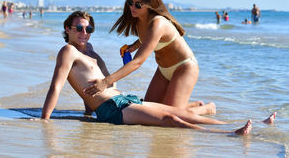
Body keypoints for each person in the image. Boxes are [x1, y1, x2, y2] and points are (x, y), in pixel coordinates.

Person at [41, 11, 264, 135]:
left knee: (178, 112)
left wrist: (87, 113)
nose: (84, 33)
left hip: (123, 99)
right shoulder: (68, 51)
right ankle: (227, 136)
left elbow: (91, 88)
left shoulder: (91, 52)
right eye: (78, 28)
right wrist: (45, 120)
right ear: (67, 29)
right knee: (170, 118)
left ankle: (243, 125)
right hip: (112, 110)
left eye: (88, 29)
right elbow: (57, 86)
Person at [84, 0, 208, 113]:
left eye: (138, 5)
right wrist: (134, 46)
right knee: (148, 111)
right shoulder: (138, 19)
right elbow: (148, 38)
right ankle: (192, 106)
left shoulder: (158, 23)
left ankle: (207, 109)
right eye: (130, 2)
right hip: (163, 70)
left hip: (184, 68)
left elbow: (137, 62)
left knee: (171, 115)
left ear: (150, 5)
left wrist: (105, 82)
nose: (133, 7)